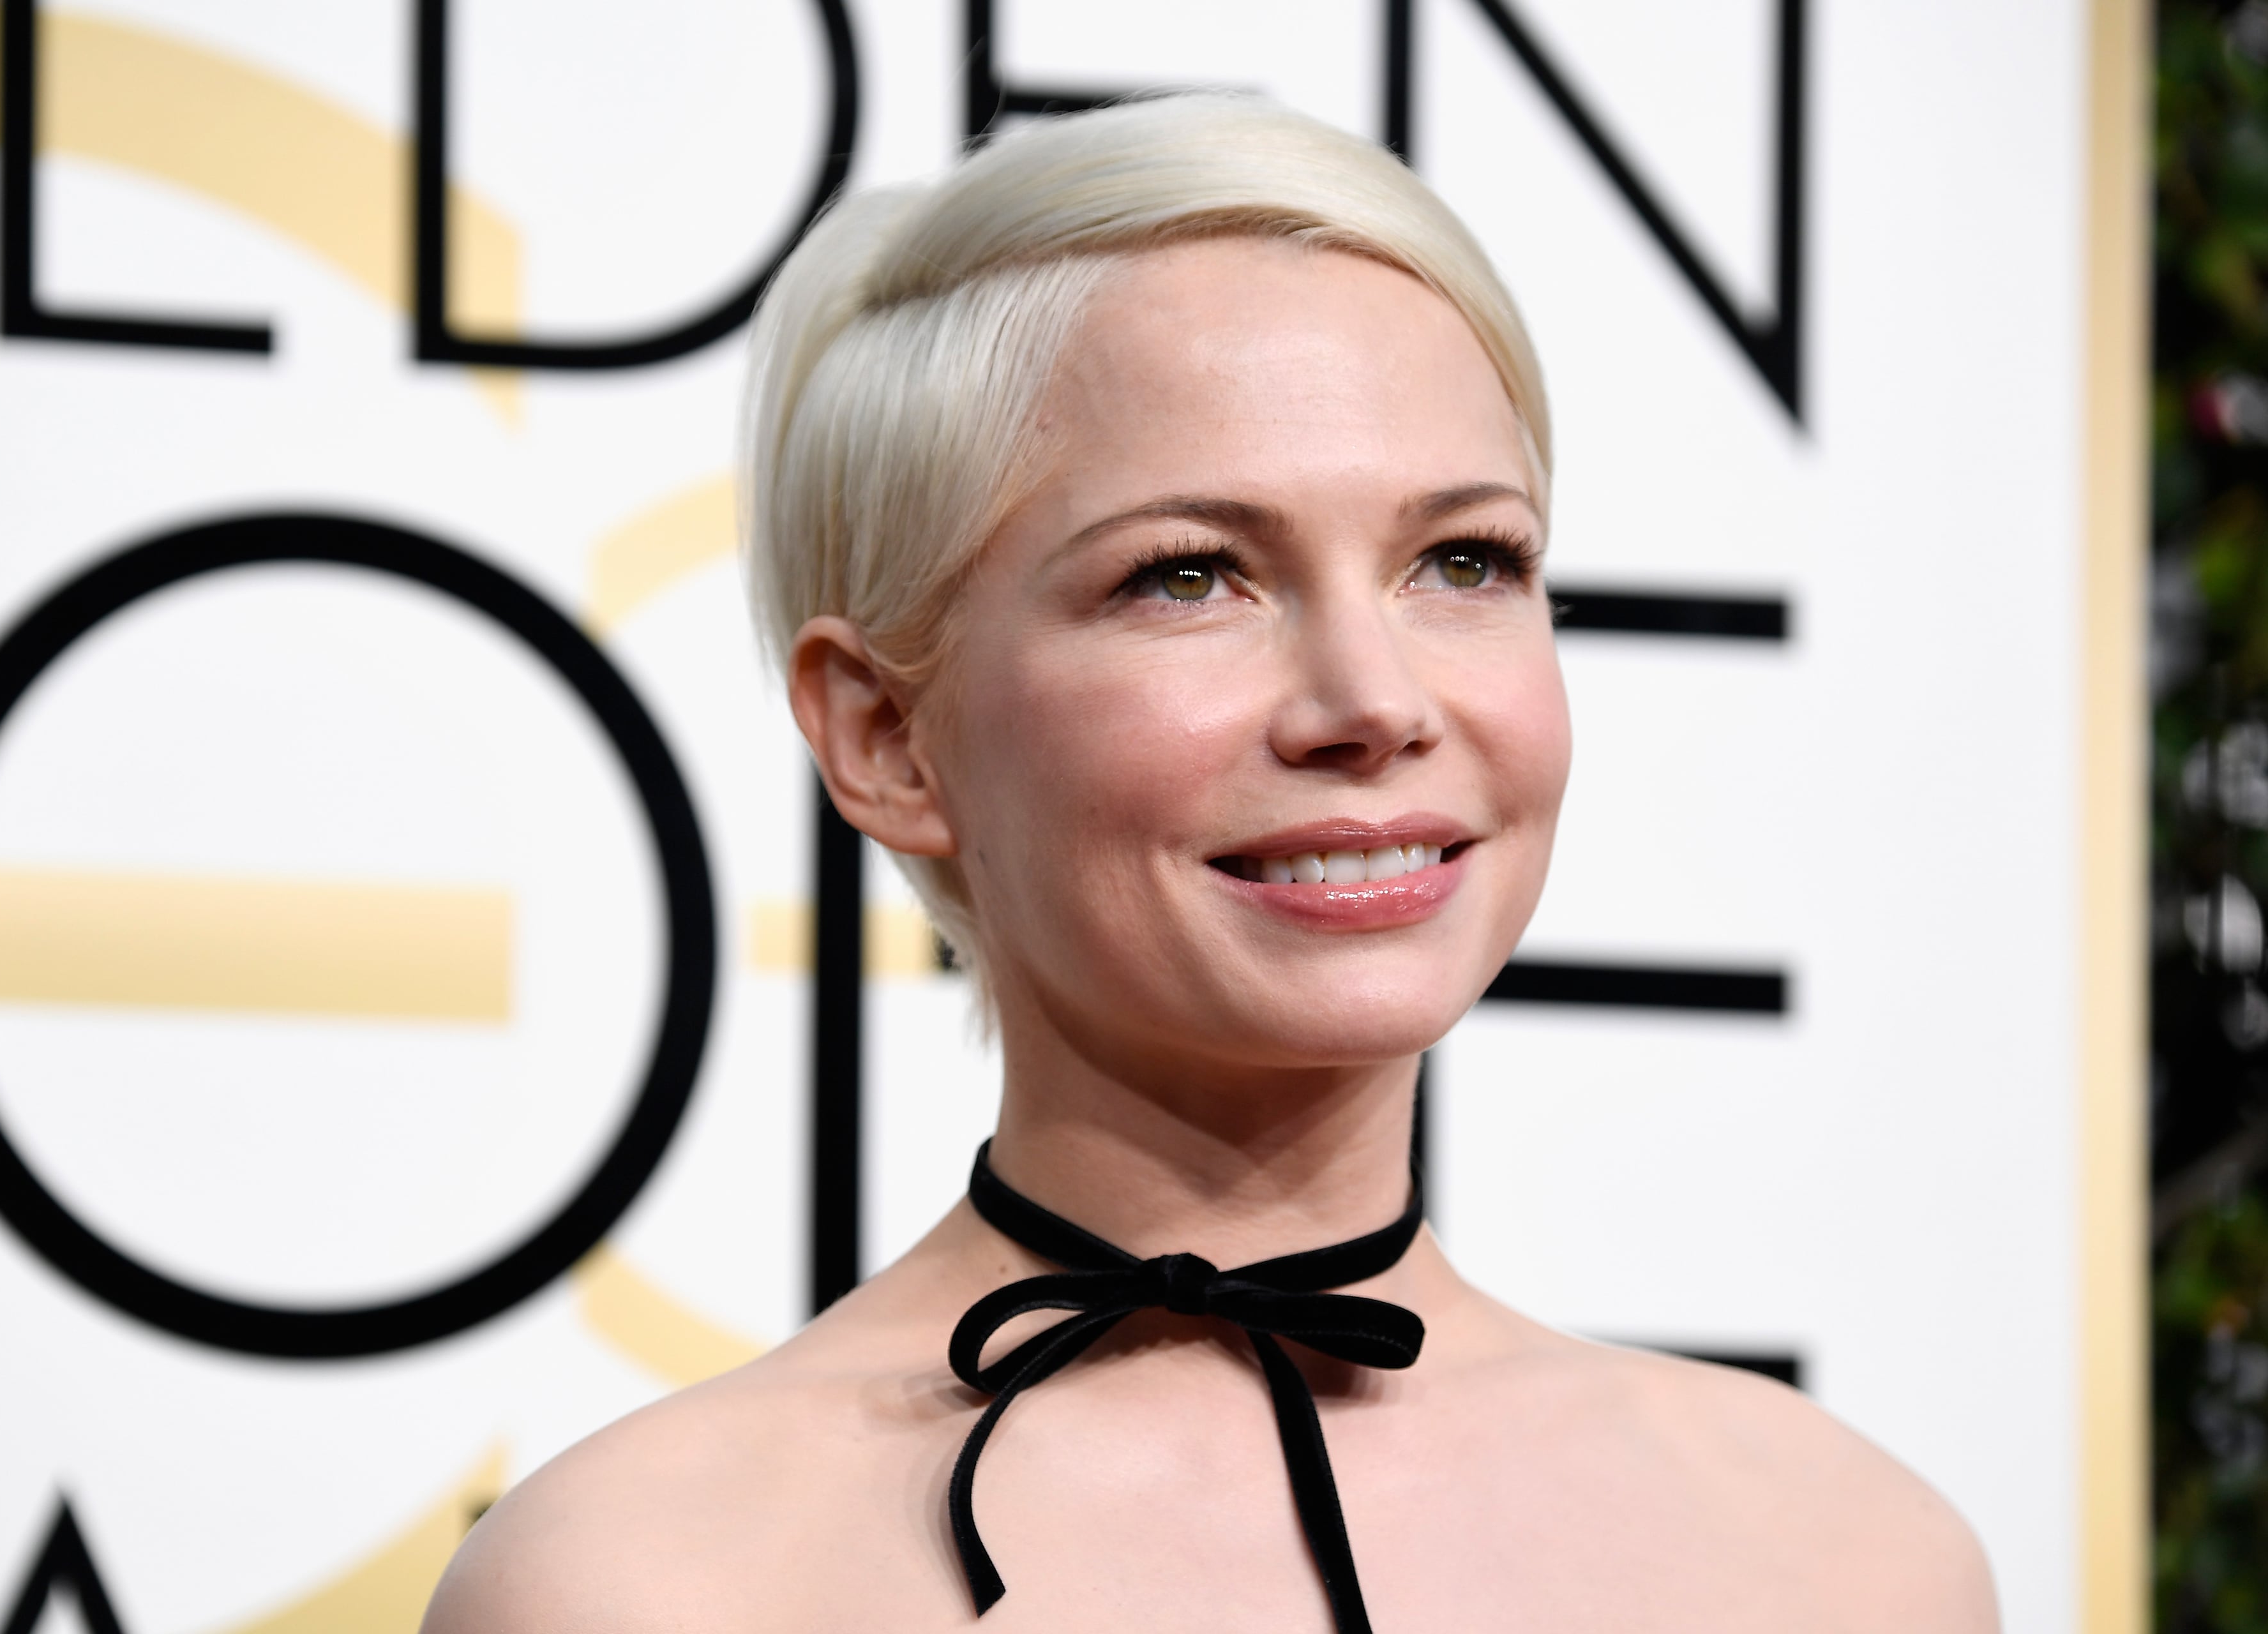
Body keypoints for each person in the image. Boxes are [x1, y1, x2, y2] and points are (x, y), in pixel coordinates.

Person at [423, 94, 1998, 1632]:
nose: (1375, 702)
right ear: (888, 735)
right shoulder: (640, 1583)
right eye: (1192, 576)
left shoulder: (1837, 1556)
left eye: (1466, 560)